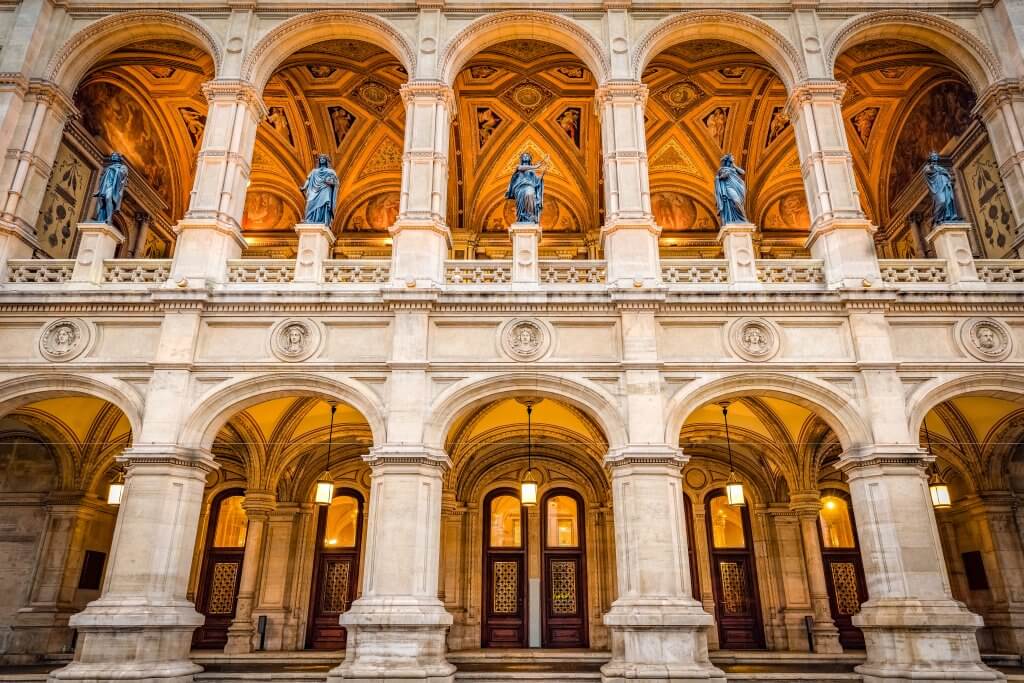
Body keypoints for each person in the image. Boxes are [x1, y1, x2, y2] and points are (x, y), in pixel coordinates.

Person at [506, 152, 547, 224]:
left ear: (530, 159)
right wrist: (535, 166)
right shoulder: (519, 167)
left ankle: (529, 217)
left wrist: (542, 174)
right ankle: (522, 219)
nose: (525, 157)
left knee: (530, 194)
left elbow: (536, 183)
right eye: (523, 156)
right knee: (521, 204)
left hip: (529, 186)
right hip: (519, 188)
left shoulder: (532, 171)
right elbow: (520, 168)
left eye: (527, 156)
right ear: (521, 159)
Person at [924, 151, 962, 225]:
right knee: (941, 201)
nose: (935, 158)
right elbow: (927, 171)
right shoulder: (927, 167)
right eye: (933, 156)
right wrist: (932, 167)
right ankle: (937, 219)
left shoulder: (940, 168)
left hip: (945, 186)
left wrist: (949, 179)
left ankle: (949, 216)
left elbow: (949, 175)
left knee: (949, 200)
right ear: (930, 158)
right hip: (937, 187)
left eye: (936, 156)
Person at [301, 154, 339, 225]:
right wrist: (304, 187)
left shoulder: (331, 171)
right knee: (310, 203)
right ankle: (309, 219)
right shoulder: (314, 171)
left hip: (325, 188)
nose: (321, 159)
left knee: (324, 204)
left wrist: (331, 182)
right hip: (314, 189)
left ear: (326, 160)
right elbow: (308, 180)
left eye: (323, 158)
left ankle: (323, 221)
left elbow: (335, 182)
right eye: (320, 158)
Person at [92, 153, 128, 224]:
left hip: (113, 186)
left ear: (119, 158)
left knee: (108, 198)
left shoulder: (122, 167)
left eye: (115, 156)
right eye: (112, 156)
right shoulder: (109, 167)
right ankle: (100, 218)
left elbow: (123, 175)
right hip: (106, 186)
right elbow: (103, 178)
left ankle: (109, 218)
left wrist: (115, 169)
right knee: (102, 202)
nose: (113, 156)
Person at [714, 154, 747, 225]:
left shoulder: (734, 168)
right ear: (728, 159)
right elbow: (719, 178)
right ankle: (741, 218)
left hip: (738, 186)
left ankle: (743, 220)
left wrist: (734, 166)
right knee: (736, 201)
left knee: (738, 202)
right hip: (728, 187)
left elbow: (743, 172)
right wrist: (723, 176)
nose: (733, 159)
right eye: (732, 158)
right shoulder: (722, 169)